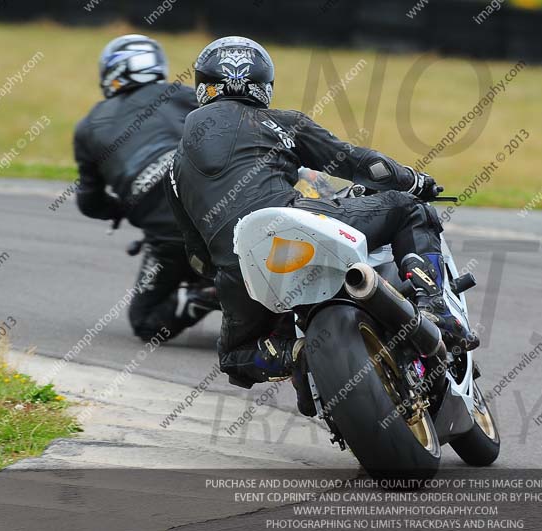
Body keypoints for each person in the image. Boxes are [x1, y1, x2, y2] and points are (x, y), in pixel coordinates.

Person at [166, 36, 478, 415]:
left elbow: (197, 256)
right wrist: (413, 180)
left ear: (202, 86)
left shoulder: (175, 168)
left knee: (235, 356)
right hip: (292, 222)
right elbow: (364, 165)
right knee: (409, 210)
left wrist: (227, 275)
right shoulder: (279, 123)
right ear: (264, 86)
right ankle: (434, 307)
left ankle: (293, 354)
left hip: (241, 268)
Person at [74, 34, 218, 343]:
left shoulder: (88, 127)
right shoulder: (182, 94)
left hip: (168, 238)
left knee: (145, 323)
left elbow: (89, 202)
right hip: (226, 209)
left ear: (111, 73)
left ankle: (209, 293)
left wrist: (121, 207)